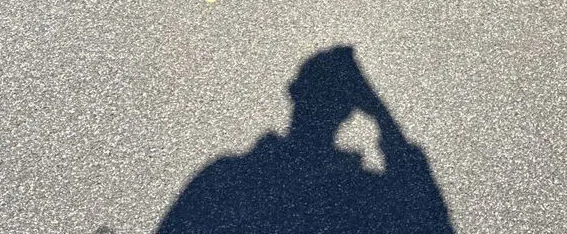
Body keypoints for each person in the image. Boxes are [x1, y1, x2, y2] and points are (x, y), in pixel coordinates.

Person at [155, 46, 455, 234]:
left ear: (294, 94)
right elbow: (424, 199)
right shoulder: (223, 175)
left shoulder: (221, 175)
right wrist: (380, 114)